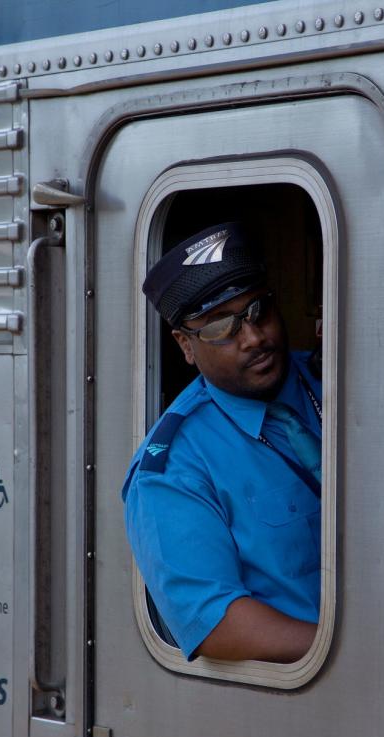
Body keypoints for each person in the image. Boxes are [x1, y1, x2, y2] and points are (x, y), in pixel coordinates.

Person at [122, 222, 322, 663]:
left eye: (257, 311)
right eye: (220, 328)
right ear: (185, 345)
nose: (253, 338)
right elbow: (216, 623)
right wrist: (355, 654)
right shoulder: (173, 468)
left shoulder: (336, 379)